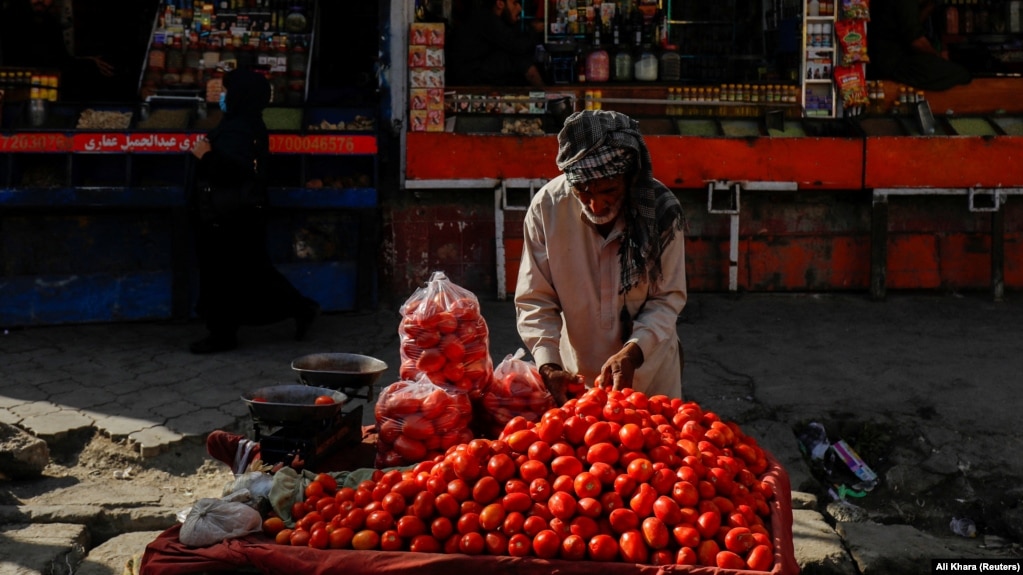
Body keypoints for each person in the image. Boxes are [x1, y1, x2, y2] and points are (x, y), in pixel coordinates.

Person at [515, 110, 687, 404]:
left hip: (651, 370)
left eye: (609, 190)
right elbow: (535, 299)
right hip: (576, 377)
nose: (595, 204)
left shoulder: (662, 212)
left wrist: (633, 353)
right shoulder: (547, 208)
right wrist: (549, 365)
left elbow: (667, 298)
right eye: (583, 191)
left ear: (629, 179)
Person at [188, 67, 319, 354]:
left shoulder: (239, 128)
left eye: (226, 91)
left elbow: (233, 171)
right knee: (251, 271)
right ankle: (300, 308)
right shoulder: (245, 122)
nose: (222, 96)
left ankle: (222, 334)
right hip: (239, 212)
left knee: (226, 273)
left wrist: (205, 155)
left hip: (229, 214)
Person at [0, 0, 115, 99]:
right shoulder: (11, 18)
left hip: (41, 91)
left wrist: (86, 61)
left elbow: (58, 59)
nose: (41, 1)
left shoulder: (50, 22)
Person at [868, 0, 971, 91]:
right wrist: (938, 56)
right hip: (893, 64)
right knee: (960, 73)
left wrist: (929, 7)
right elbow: (916, 41)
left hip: (885, 60)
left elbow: (908, 25)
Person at [446, 0, 545, 87]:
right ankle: (546, 95)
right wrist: (534, 30)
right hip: (468, 77)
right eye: (515, 3)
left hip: (473, 73)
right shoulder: (486, 19)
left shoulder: (490, 19)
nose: (519, 8)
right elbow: (517, 45)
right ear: (500, 4)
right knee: (517, 58)